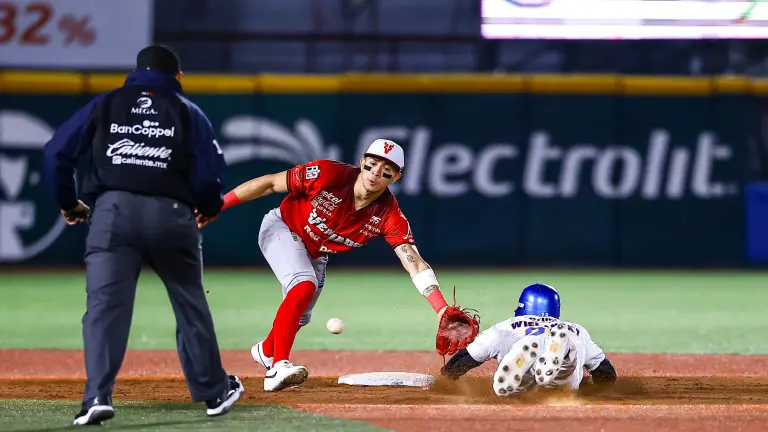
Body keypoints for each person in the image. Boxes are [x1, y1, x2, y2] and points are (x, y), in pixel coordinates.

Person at [42, 45, 244, 426]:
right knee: (189, 303)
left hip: (111, 213)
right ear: (178, 78)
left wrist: (69, 203)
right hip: (172, 216)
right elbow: (208, 177)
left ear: (134, 73)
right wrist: (210, 207)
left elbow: (56, 153)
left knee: (105, 308)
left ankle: (97, 396)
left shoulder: (106, 103)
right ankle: (214, 392)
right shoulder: (189, 112)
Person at [198, 139, 481, 392]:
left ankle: (267, 350)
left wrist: (441, 306)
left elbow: (414, 261)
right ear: (362, 163)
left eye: (386, 170)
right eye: (372, 165)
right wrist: (218, 206)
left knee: (299, 316)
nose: (375, 173)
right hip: (283, 227)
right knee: (303, 285)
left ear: (396, 177)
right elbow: (270, 183)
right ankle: (277, 367)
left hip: (316, 252)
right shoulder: (328, 174)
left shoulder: (388, 214)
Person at [440, 283, 617, 396]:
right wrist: (590, 387)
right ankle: (561, 356)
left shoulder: (507, 326)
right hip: (564, 384)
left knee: (517, 381)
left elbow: (466, 359)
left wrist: (445, 377)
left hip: (522, 384)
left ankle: (523, 355)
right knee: (568, 365)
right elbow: (606, 373)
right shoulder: (577, 330)